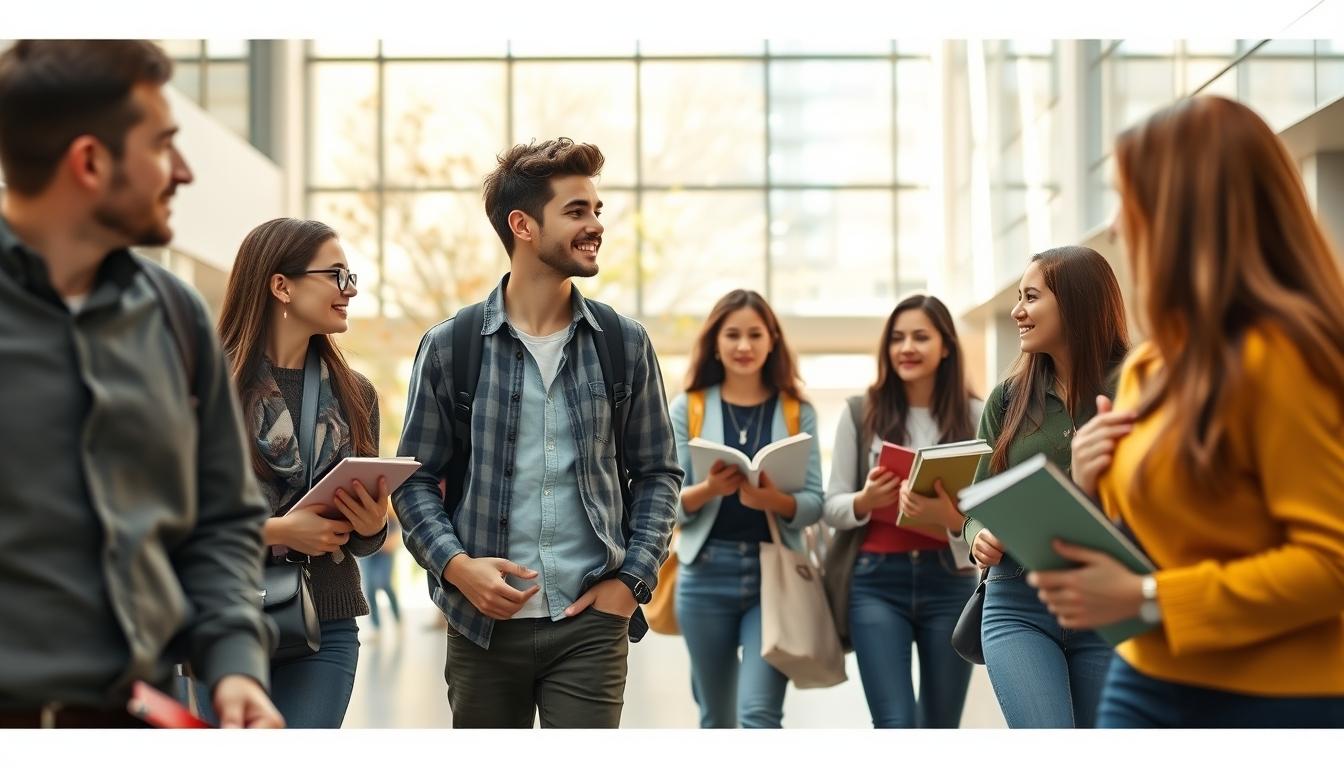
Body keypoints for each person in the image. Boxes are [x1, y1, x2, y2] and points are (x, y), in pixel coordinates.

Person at [1033, 95, 1344, 727]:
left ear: (1179, 213)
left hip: (1277, 697)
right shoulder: (1154, 367)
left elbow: (1330, 563)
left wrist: (1148, 597)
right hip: (1151, 672)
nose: (1117, 227)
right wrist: (1093, 489)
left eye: (1127, 199)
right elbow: (1180, 525)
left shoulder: (1282, 358)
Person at [0, 40, 281, 728]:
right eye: (163, 146)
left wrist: (236, 661)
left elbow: (223, 517)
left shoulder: (176, 316)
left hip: (141, 718)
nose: (181, 171)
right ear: (90, 162)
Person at [394, 138, 682, 728]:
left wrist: (631, 581)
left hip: (591, 624)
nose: (595, 225)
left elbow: (658, 473)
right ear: (522, 225)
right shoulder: (453, 346)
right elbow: (414, 481)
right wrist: (456, 568)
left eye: (597, 211)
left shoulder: (623, 344)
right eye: (577, 212)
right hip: (482, 626)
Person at [212, 217, 389, 728]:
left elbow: (363, 543)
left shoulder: (357, 393)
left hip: (325, 621)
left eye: (351, 276)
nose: (349, 289)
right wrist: (281, 531)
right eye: (336, 275)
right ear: (281, 285)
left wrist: (372, 524)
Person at [962, 246, 1129, 728]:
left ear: (1075, 303)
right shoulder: (1008, 399)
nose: (1017, 311)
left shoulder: (1138, 389)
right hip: (1017, 603)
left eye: (1030, 297)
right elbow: (975, 502)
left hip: (1107, 600)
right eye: (1017, 298)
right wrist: (978, 536)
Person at [822, 294, 981, 728]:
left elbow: (988, 514)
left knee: (939, 727)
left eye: (920, 337)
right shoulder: (861, 412)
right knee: (895, 725)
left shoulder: (976, 414)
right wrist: (864, 501)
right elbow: (830, 504)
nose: (906, 347)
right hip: (876, 582)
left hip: (950, 582)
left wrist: (946, 516)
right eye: (897, 338)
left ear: (945, 346)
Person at [668, 289, 824, 728]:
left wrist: (772, 500)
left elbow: (815, 503)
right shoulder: (689, 407)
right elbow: (665, 505)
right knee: (716, 718)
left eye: (755, 334)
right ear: (715, 341)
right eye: (732, 334)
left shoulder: (797, 411)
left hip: (772, 576)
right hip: (703, 577)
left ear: (772, 340)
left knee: (759, 713)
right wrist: (709, 489)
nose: (743, 346)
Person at [362, 512, 404, 634]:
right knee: (370, 588)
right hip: (366, 549)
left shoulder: (390, 516)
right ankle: (376, 627)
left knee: (385, 583)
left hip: (384, 548)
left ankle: (398, 619)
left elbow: (392, 542)